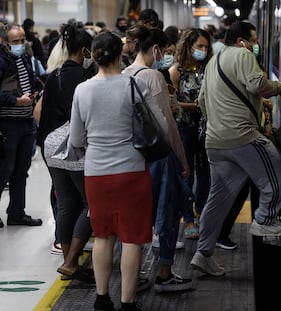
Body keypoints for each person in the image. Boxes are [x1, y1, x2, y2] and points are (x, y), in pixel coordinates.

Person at [190, 21, 281, 276]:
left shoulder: (213, 60)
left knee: (218, 199)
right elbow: (259, 86)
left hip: (215, 142)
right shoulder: (243, 54)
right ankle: (265, 221)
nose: (256, 44)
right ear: (241, 40)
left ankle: (202, 254)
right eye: (254, 39)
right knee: (277, 168)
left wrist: (219, 121)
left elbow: (201, 100)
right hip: (241, 136)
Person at [69, 31, 155, 311]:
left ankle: (102, 299)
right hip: (131, 171)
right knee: (132, 238)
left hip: (96, 173)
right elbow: (152, 127)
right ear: (121, 55)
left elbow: (77, 139)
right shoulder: (133, 85)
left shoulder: (82, 89)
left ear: (92, 56)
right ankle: (128, 303)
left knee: (102, 235)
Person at [122, 24, 193, 293]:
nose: (164, 55)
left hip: (132, 158)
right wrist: (182, 158)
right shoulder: (153, 76)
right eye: (163, 51)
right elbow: (166, 124)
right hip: (158, 158)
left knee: (138, 216)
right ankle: (164, 272)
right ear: (155, 49)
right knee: (168, 211)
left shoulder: (124, 73)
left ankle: (134, 275)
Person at [40, 23, 94, 282]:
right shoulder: (85, 79)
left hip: (49, 146)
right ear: (84, 50)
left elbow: (40, 113)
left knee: (66, 204)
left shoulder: (54, 74)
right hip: (73, 146)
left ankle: (66, 263)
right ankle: (72, 261)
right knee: (92, 205)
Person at [169, 28, 213, 239]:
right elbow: (173, 104)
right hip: (185, 128)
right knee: (187, 173)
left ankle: (201, 212)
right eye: (199, 46)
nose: (203, 50)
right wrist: (194, 106)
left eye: (206, 47)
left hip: (207, 128)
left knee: (206, 173)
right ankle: (188, 219)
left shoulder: (209, 68)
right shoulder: (176, 71)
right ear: (188, 46)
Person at [0, 23, 42, 228]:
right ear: (5, 42)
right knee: (4, 170)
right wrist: (16, 101)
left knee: (21, 171)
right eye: (14, 41)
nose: (19, 44)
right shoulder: (1, 61)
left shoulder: (25, 57)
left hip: (26, 122)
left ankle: (17, 212)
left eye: (22, 39)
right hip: (8, 123)